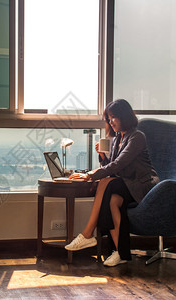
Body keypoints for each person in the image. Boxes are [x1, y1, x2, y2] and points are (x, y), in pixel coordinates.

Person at [65, 99, 159, 267]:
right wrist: (102, 157)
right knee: (113, 201)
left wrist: (91, 175)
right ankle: (121, 253)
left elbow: (118, 165)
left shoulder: (137, 136)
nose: (110, 122)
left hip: (142, 185)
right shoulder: (116, 139)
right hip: (126, 184)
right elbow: (113, 167)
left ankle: (87, 234)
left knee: (105, 183)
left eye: (114, 117)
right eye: (108, 118)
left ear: (124, 116)